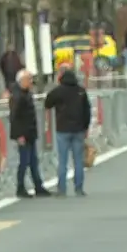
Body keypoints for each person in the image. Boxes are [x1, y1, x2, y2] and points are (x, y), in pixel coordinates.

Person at [44, 69, 92, 197]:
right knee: (78, 160)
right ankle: (79, 188)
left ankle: (62, 189)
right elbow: (87, 111)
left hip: (63, 129)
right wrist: (85, 127)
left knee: (62, 160)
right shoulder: (81, 91)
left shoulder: (58, 91)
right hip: (78, 130)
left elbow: (47, 103)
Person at [9, 69, 51, 198]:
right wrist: (18, 135)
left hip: (30, 132)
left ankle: (38, 186)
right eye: (29, 79)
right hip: (23, 134)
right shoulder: (17, 96)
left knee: (33, 161)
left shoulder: (27, 94)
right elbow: (14, 117)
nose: (31, 82)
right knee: (24, 161)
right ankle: (20, 187)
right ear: (21, 81)